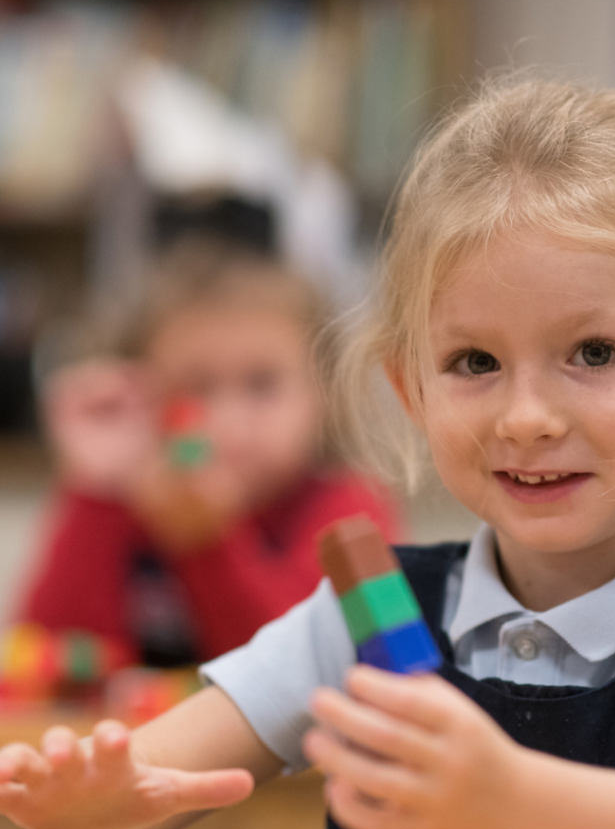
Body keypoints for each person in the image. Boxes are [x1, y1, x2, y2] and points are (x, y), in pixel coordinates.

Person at [0, 79, 615, 829]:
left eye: (594, 353)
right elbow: (141, 798)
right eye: (474, 363)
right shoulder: (365, 611)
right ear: (411, 386)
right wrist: (89, 813)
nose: (527, 418)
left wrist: (513, 800)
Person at [11, 239, 402, 666]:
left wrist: (209, 541)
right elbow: (48, 659)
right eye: (198, 387)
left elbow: (305, 669)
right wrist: (96, 490)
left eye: (262, 384)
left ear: (323, 393)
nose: (228, 423)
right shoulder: (119, 505)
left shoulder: (352, 512)